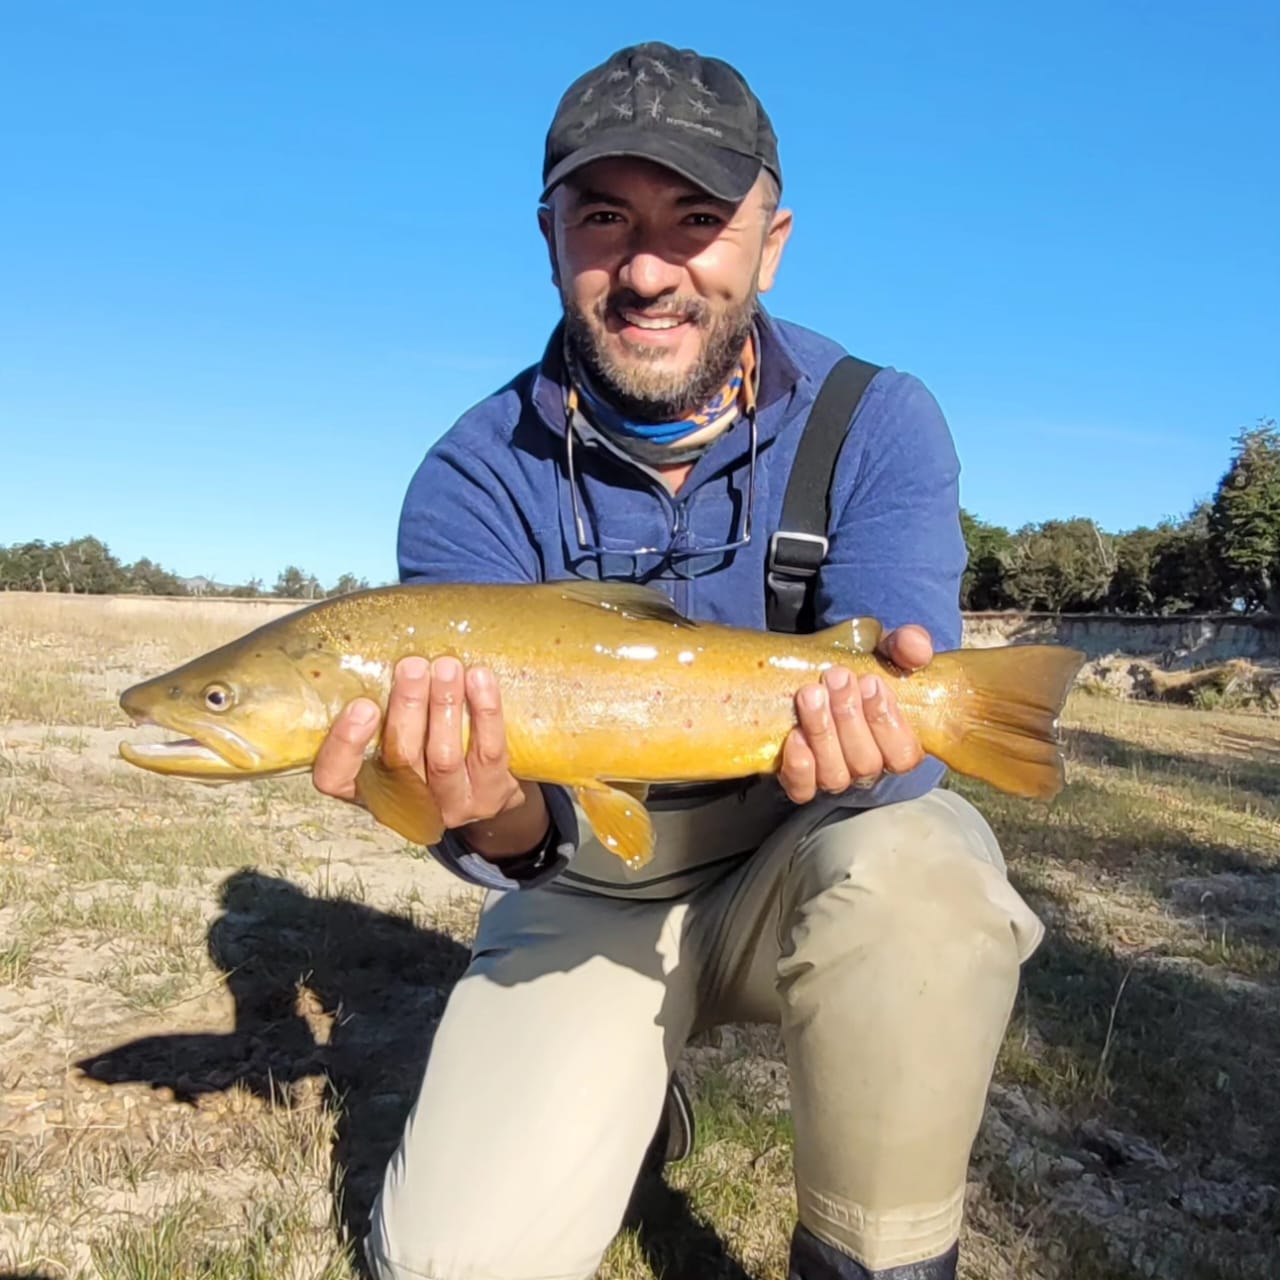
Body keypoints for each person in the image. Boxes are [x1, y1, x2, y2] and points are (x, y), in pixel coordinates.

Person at [312, 40, 1044, 1280]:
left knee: (926, 877)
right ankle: (625, 1087)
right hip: (586, 886)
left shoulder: (879, 420)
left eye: (697, 219)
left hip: (801, 860)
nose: (648, 269)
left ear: (772, 237)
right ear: (545, 232)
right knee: (447, 1265)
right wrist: (481, 809)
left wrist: (886, 738)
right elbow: (510, 833)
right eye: (604, 218)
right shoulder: (470, 476)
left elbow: (894, 778)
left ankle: (877, 1257)